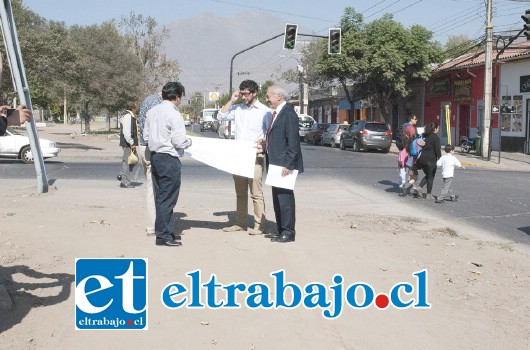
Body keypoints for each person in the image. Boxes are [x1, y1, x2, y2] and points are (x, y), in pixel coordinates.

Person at [217, 80, 272, 235]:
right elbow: (221, 116)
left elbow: (269, 132)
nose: (243, 97)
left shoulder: (264, 110)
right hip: (239, 155)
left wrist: (263, 142)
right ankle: (240, 222)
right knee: (240, 193)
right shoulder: (237, 108)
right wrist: (232, 100)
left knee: (256, 193)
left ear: (254, 93)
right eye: (241, 94)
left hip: (255, 155)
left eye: (246, 94)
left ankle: (259, 225)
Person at [144, 81, 192, 247]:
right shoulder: (174, 114)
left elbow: (145, 136)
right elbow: (179, 140)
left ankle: (166, 232)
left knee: (160, 197)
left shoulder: (152, 112)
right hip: (169, 158)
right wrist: (188, 143)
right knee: (168, 198)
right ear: (177, 97)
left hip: (155, 156)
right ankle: (164, 236)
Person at [263, 85, 304, 243]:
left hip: (284, 165)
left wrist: (288, 164)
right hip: (275, 163)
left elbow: (293, 143)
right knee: (277, 199)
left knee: (285, 200)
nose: (267, 99)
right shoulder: (277, 113)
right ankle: (280, 229)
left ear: (278, 96)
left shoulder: (288, 113)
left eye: (268, 96)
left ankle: (288, 232)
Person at [138, 90, 163, 236]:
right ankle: (153, 226)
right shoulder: (157, 103)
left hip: (144, 146)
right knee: (153, 188)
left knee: (151, 186)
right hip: (150, 148)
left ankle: (153, 226)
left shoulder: (148, 100)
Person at [416, 122, 442, 200]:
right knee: (430, 177)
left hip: (422, 159)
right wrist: (440, 158)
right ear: (435, 129)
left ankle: (419, 187)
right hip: (431, 160)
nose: (439, 129)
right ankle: (429, 194)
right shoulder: (436, 138)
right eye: (438, 128)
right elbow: (437, 150)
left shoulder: (425, 136)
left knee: (428, 175)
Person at [117, 101, 139, 188]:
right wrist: (131, 143)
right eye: (135, 107)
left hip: (129, 143)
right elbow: (127, 132)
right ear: (132, 108)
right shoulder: (128, 116)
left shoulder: (129, 116)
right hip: (128, 143)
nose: (136, 109)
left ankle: (121, 175)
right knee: (128, 162)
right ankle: (124, 182)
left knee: (134, 160)